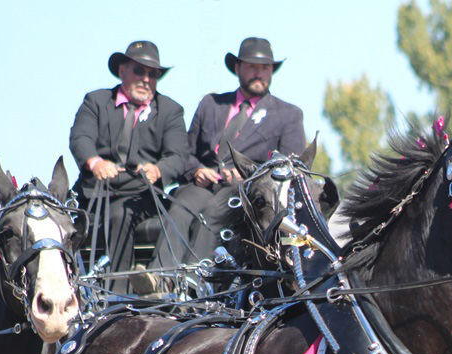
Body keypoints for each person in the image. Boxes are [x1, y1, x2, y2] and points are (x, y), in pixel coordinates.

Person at [155, 37, 306, 268]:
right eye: (252, 67)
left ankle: (196, 277)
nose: (259, 73)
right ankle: (159, 277)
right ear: (237, 68)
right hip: (204, 185)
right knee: (180, 208)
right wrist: (197, 170)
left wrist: (249, 175)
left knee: (215, 212)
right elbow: (186, 152)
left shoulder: (288, 115)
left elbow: (289, 170)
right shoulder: (211, 104)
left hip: (247, 192)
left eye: (265, 68)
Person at [69, 40, 188, 291]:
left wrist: (158, 170)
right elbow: (81, 138)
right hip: (94, 193)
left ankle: (118, 294)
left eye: (153, 74)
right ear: (122, 71)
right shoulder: (96, 101)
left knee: (120, 213)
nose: (146, 79)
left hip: (140, 195)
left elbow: (178, 156)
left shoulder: (171, 111)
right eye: (139, 71)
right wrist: (95, 162)